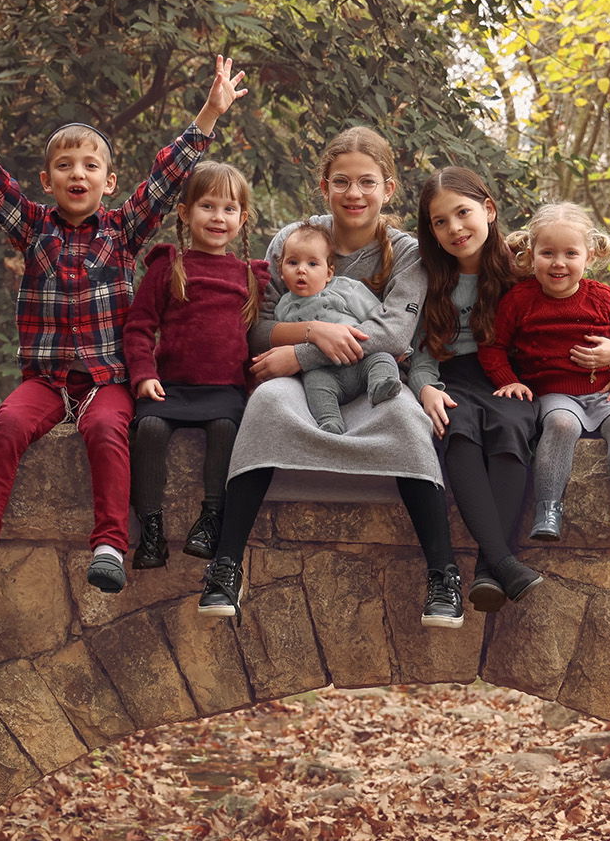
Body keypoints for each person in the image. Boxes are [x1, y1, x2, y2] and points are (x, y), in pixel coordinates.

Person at [0, 54, 245, 593]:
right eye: (65, 166)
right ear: (47, 180)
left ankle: (108, 545)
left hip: (107, 380)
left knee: (107, 430)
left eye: (89, 166)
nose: (77, 173)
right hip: (47, 380)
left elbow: (167, 178)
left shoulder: (123, 230)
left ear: (108, 181)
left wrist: (209, 114)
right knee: (7, 424)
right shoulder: (32, 229)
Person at [192, 126, 464, 628]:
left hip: (376, 377)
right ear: (324, 186)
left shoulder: (405, 252)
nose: (354, 194)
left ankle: (443, 575)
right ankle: (226, 565)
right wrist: (313, 332)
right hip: (299, 385)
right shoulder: (293, 241)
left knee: (407, 420)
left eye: (366, 182)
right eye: (341, 181)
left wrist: (303, 354)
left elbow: (394, 335)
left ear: (388, 188)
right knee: (268, 405)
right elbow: (258, 328)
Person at [411, 169, 610, 612]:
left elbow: (571, 316)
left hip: (508, 376)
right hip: (448, 376)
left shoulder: (519, 269)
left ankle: (490, 570)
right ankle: (501, 564)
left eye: (463, 213)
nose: (455, 228)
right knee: (457, 428)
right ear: (430, 229)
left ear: (488, 210)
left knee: (513, 426)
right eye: (440, 221)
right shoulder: (426, 275)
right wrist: (425, 387)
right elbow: (416, 346)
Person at [121, 161, 269, 570]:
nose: (218, 217)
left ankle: (210, 519)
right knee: (148, 429)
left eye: (229, 208)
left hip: (224, 391)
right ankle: (150, 528)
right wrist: (143, 376)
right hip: (169, 387)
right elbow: (138, 328)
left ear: (243, 218)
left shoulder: (252, 276)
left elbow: (262, 337)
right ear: (185, 213)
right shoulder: (169, 266)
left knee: (225, 430)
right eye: (207, 206)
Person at [480, 201, 610, 541]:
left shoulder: (602, 297)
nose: (559, 263)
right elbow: (493, 346)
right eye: (548, 253)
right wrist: (509, 381)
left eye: (570, 254)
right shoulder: (520, 299)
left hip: (603, 391)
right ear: (531, 255)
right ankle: (548, 510)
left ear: (588, 257)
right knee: (561, 423)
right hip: (554, 395)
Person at [272, 223, 403, 434]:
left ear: (329, 272)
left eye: (313, 263)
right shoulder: (284, 307)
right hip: (323, 372)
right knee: (314, 384)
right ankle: (330, 421)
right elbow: (282, 342)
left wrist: (402, 350)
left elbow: (378, 316)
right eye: (293, 262)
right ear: (281, 272)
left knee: (381, 359)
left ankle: (380, 386)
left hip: (361, 360)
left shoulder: (346, 289)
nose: (301, 270)